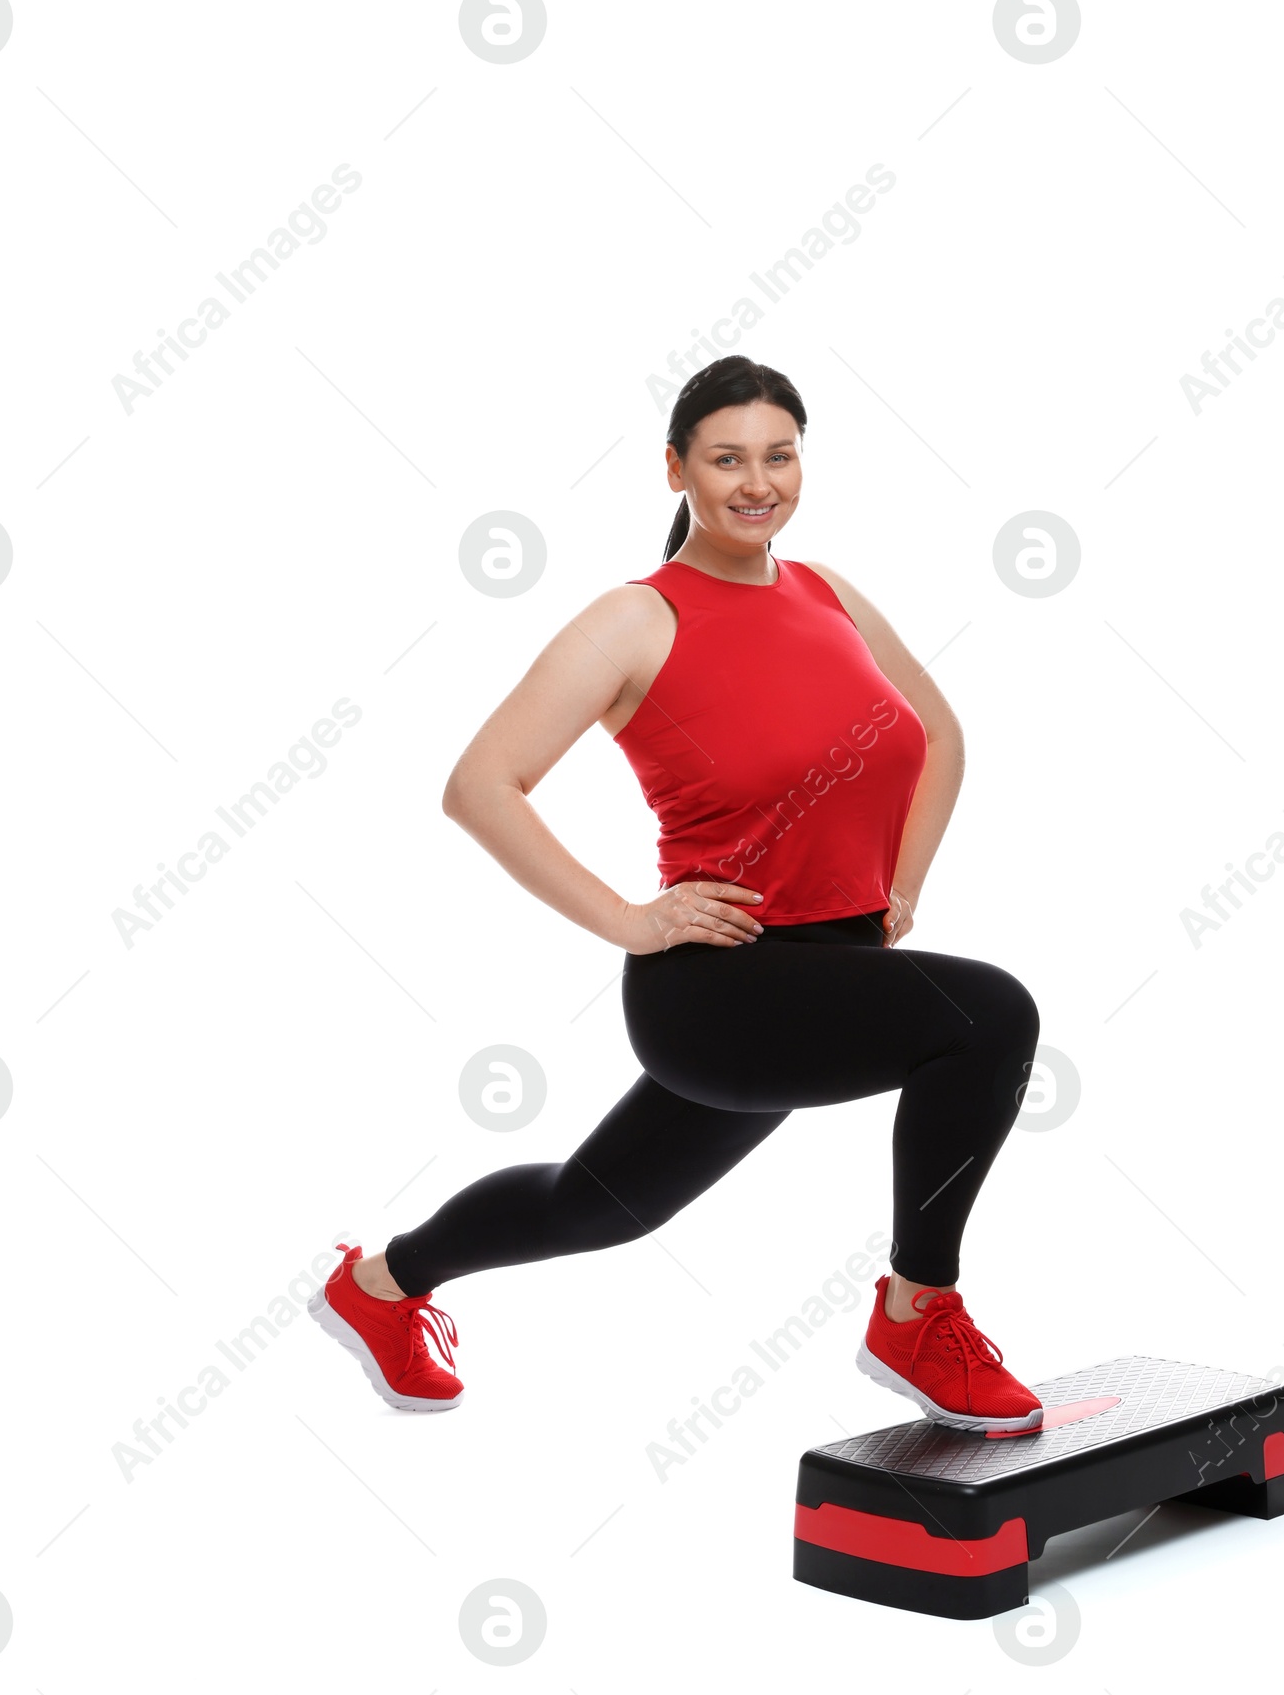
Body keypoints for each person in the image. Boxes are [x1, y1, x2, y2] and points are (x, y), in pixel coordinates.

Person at [308, 355, 1044, 1431]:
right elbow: (479, 786)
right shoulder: (635, 619)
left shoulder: (828, 593)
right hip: (721, 990)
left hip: (833, 972)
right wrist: (630, 918)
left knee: (598, 1203)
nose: (758, 482)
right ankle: (915, 1309)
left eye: (779, 455)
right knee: (991, 1016)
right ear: (674, 470)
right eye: (726, 458)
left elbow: (938, 734)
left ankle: (376, 1284)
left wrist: (903, 884)